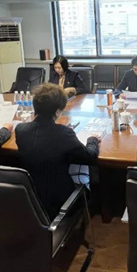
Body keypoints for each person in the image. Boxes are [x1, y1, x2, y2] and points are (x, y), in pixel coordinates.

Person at [15, 83, 100, 219]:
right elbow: (90, 156)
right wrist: (92, 141)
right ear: (57, 112)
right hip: (60, 201)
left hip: (30, 197)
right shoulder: (64, 133)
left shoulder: (20, 130)